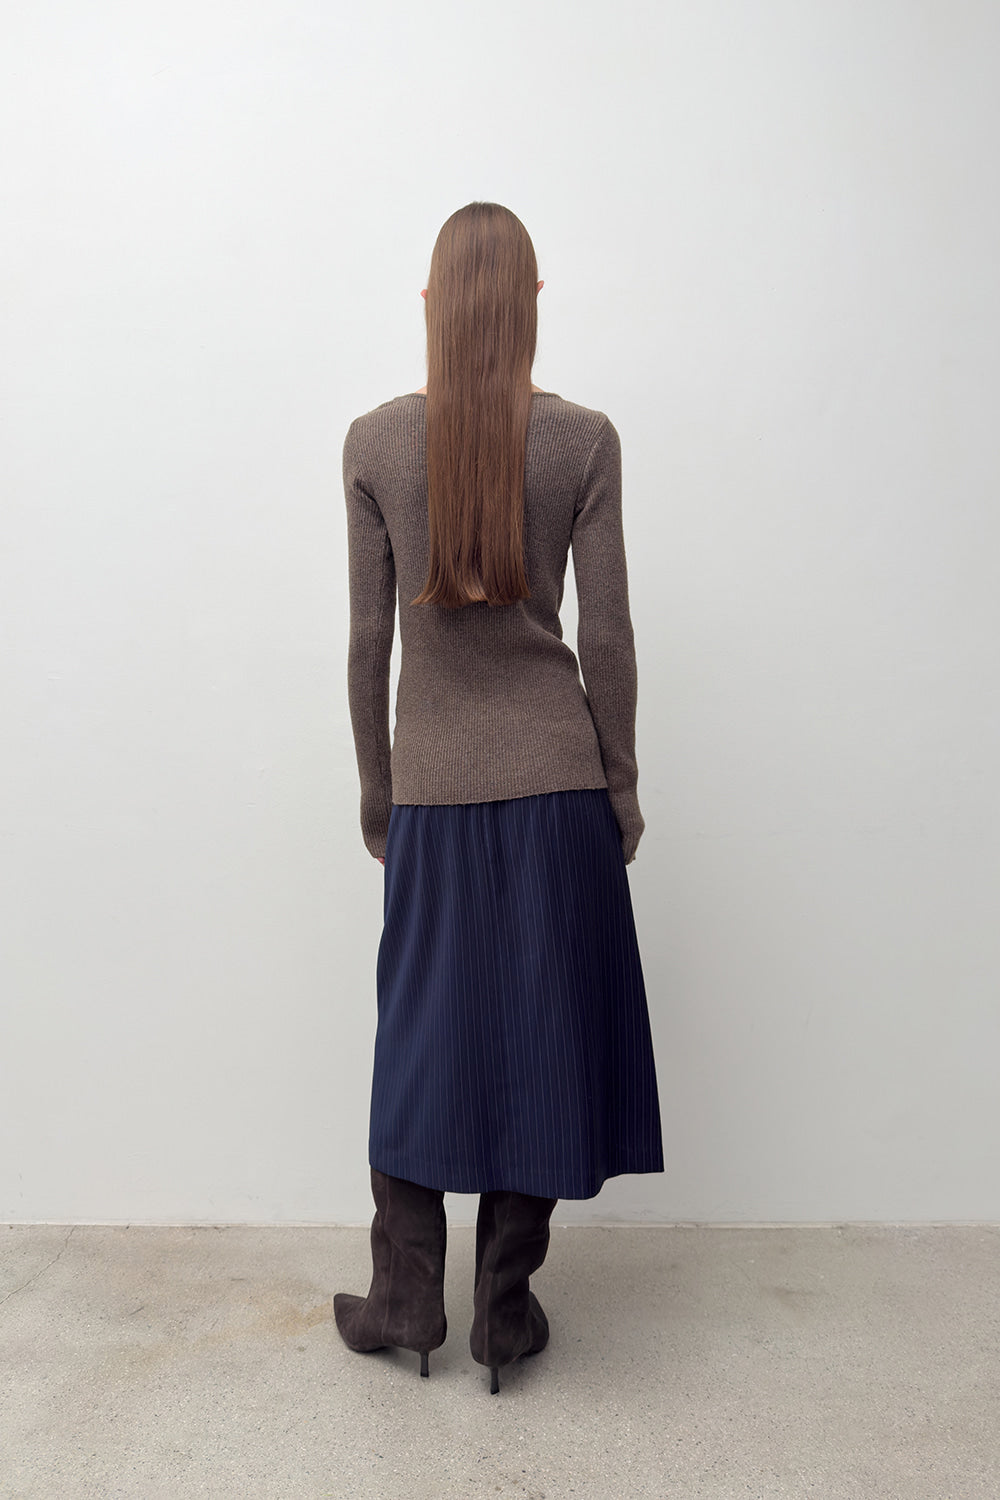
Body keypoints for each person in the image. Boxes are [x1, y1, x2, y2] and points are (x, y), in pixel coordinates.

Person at [334, 201, 665, 1396]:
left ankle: (405, 1298)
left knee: (420, 1041)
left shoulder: (376, 442)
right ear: (530, 305)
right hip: (556, 787)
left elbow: (368, 643)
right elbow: (607, 638)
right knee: (539, 1039)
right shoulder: (582, 441)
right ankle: (503, 1313)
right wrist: (619, 791)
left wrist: (380, 797)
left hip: (432, 787)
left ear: (432, 303)